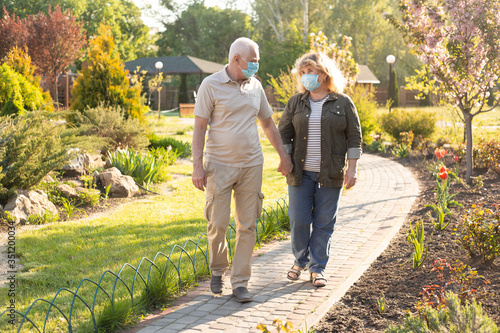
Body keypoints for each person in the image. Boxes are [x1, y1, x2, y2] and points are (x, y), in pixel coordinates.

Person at [192, 37, 293, 302]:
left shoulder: (256, 87)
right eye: (253, 61)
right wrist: (197, 167)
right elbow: (200, 127)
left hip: (252, 165)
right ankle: (217, 270)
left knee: (247, 226)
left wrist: (283, 156)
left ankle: (240, 282)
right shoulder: (210, 85)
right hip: (219, 166)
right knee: (218, 223)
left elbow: (269, 125)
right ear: (236, 59)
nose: (256, 66)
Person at [278, 52, 362, 287]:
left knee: (324, 222)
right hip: (300, 172)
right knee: (299, 220)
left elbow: (354, 138)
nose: (306, 77)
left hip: (331, 173)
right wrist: (284, 158)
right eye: (303, 73)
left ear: (324, 74)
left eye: (310, 72)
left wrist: (352, 169)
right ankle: (300, 260)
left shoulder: (343, 102)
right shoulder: (296, 102)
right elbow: (283, 133)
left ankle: (318, 268)